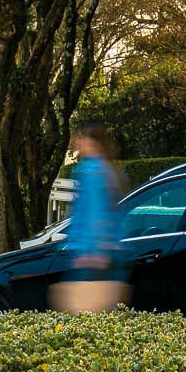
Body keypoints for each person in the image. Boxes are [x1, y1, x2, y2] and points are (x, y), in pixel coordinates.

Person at [54, 123, 125, 313]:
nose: (78, 143)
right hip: (109, 250)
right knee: (105, 313)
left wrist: (91, 251)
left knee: (82, 314)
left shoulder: (92, 171)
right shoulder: (109, 169)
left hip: (91, 255)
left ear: (92, 142)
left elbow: (94, 211)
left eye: (81, 138)